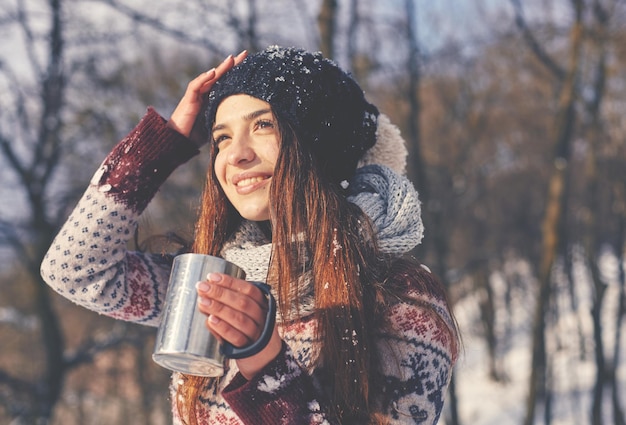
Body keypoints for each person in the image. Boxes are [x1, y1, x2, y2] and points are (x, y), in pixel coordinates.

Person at [41, 45, 459, 424]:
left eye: (263, 125)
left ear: (320, 143)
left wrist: (265, 363)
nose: (235, 154)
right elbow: (75, 270)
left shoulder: (401, 298)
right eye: (221, 137)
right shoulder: (216, 278)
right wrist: (160, 147)